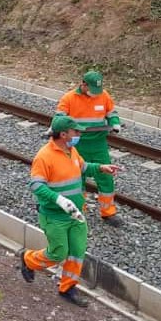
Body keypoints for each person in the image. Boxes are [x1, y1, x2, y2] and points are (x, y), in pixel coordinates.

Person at [16, 115, 121, 307]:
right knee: (58, 254)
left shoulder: (72, 151)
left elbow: (84, 167)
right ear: (63, 134)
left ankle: (67, 288)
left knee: (77, 252)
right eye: (76, 132)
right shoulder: (44, 157)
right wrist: (59, 199)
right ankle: (28, 259)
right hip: (54, 216)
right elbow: (36, 185)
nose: (79, 134)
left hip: (76, 214)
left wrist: (101, 168)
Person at [54, 70, 123, 226]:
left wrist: (115, 122)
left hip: (99, 144)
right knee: (78, 178)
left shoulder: (103, 95)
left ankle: (108, 212)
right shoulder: (69, 98)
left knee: (106, 176)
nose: (95, 93)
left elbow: (111, 111)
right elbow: (59, 117)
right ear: (83, 84)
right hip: (79, 144)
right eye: (92, 90)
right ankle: (79, 210)